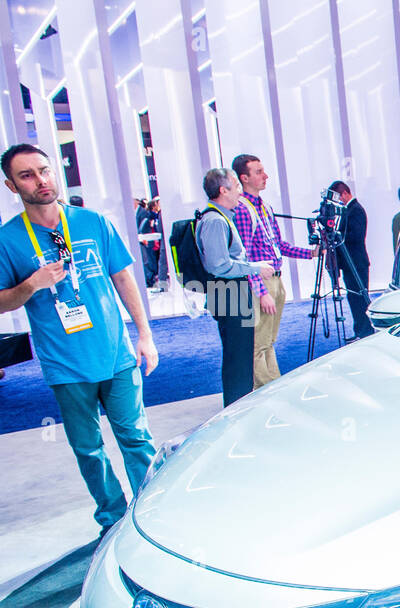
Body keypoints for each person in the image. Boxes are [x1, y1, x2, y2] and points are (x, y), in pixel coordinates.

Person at [0, 143, 159, 538]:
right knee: (88, 449)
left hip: (116, 353)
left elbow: (124, 278)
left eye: (44, 170)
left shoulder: (92, 223)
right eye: (27, 175)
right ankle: (113, 518)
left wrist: (144, 335)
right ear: (11, 185)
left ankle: (154, 512)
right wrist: (31, 284)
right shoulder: (8, 240)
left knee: (136, 437)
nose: (40, 180)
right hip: (65, 364)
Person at [230, 153, 318, 386]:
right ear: (244, 178)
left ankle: (271, 385)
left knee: (268, 340)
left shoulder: (265, 207)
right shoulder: (242, 209)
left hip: (276, 280)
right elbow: (245, 256)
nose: (265, 175)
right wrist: (261, 291)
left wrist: (309, 254)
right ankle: (267, 389)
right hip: (262, 283)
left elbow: (278, 245)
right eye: (258, 172)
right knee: (259, 342)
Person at [196, 167, 274, 406]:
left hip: (231, 293)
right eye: (236, 186)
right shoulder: (214, 221)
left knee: (240, 356)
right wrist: (254, 268)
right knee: (237, 358)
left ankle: (239, 405)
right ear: (223, 190)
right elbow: (219, 265)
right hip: (228, 293)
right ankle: (236, 408)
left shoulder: (219, 218)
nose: (240, 191)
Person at [330, 179, 374, 339]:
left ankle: (365, 332)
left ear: (345, 193)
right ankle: (359, 332)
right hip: (350, 264)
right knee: (353, 298)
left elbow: (357, 236)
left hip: (356, 263)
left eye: (337, 197)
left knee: (360, 299)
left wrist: (337, 237)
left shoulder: (356, 210)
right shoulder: (348, 210)